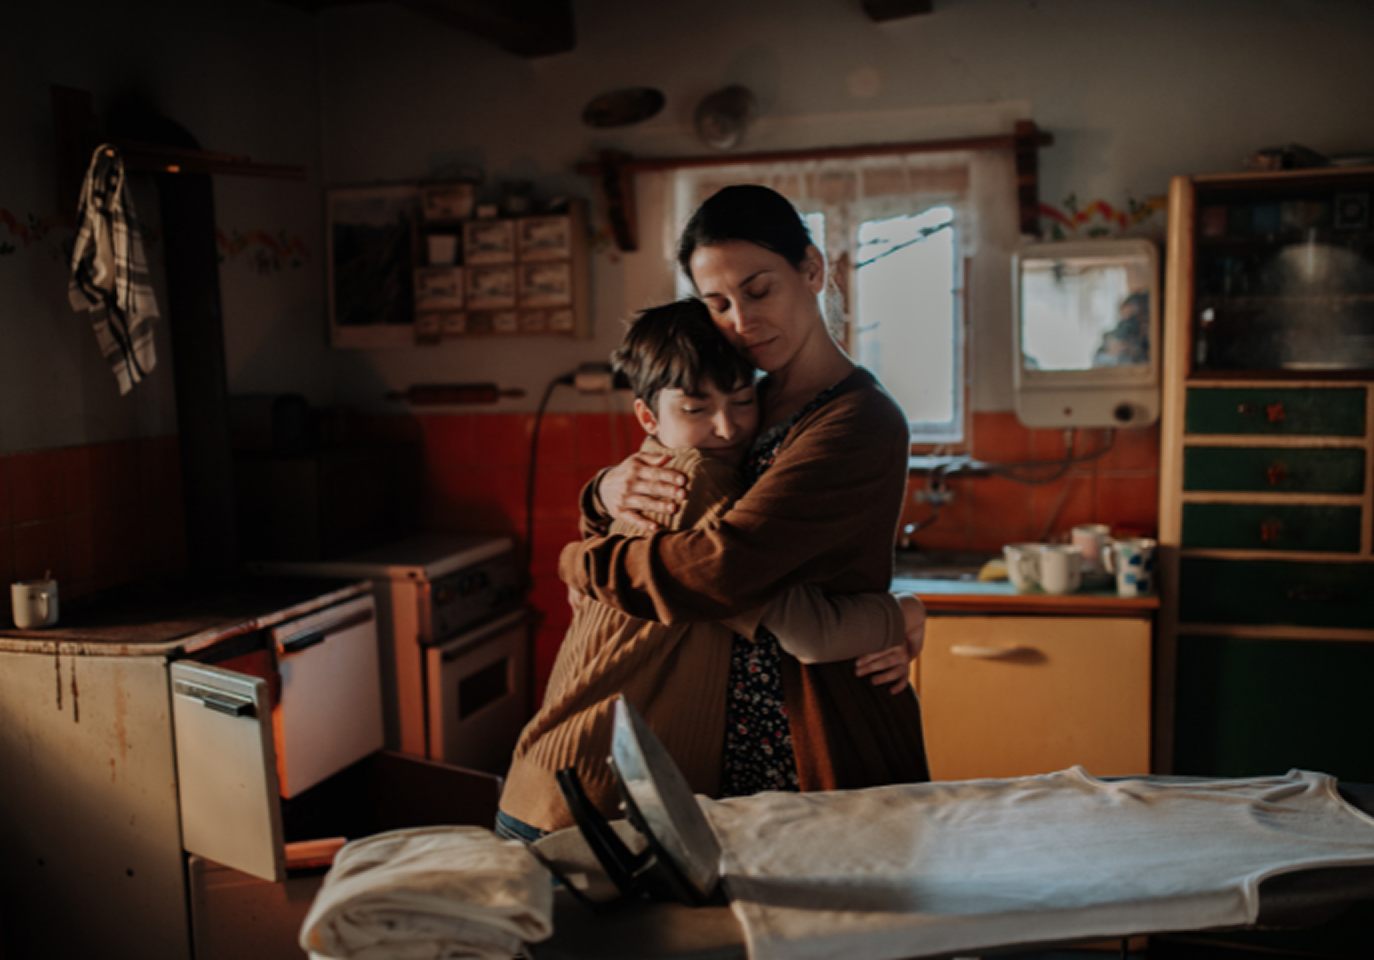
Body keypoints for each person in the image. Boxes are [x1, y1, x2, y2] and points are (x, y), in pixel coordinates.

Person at [497, 299, 925, 840]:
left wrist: (581, 545)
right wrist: (902, 614)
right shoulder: (698, 484)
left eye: (743, 400)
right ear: (648, 417)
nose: (727, 427)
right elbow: (807, 631)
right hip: (590, 800)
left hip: (559, 781)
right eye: (696, 409)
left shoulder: (647, 472)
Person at [560, 184, 930, 800]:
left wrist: (578, 562)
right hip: (716, 735)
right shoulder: (743, 400)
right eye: (718, 303)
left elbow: (723, 566)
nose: (742, 320)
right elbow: (661, 508)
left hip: (815, 731)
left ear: (811, 270)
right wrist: (601, 494)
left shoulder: (857, 420)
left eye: (759, 291)